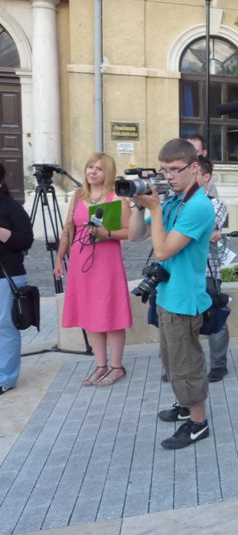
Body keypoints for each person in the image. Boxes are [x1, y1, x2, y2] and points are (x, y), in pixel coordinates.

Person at [129, 138, 216, 448]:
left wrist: (155, 208)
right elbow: (135, 235)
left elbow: (163, 250)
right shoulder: (174, 201)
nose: (168, 176)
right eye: (164, 170)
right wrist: (139, 206)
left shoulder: (199, 205)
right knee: (171, 360)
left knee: (186, 363)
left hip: (184, 299)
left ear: (194, 168)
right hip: (167, 294)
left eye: (175, 170)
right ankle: (184, 406)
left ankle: (198, 423)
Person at [55, 153, 132, 387]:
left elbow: (129, 231)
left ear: (108, 172)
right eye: (90, 167)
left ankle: (116, 366)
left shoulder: (117, 197)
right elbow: (68, 227)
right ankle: (101, 364)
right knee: (89, 312)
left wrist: (105, 233)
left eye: (98, 168)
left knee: (111, 312)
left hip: (107, 262)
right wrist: (60, 257)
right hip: (80, 263)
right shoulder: (79, 195)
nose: (92, 172)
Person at [0, 164, 34, 395]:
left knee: (5, 327)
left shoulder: (11, 208)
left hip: (7, 275)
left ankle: (5, 377)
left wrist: (3, 233)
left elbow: (26, 241)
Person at [197, 156, 230, 382]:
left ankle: (218, 365)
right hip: (181, 273)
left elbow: (199, 230)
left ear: (206, 177)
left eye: (194, 173)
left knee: (215, 318)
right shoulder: (174, 203)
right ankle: (182, 365)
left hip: (208, 271)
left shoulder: (215, 204)